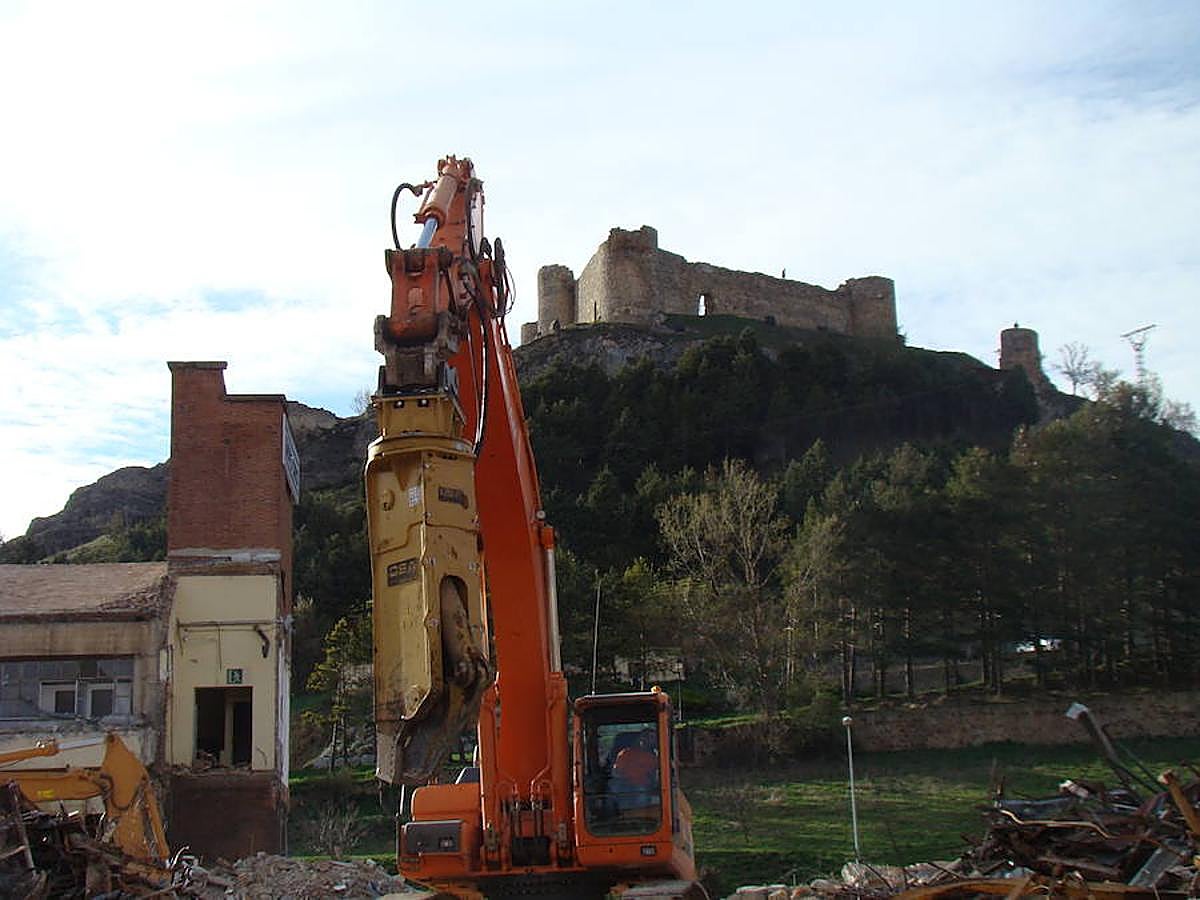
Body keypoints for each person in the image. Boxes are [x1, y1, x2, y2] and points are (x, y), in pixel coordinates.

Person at [610, 728, 659, 810]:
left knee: (641, 796)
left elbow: (659, 775)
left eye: (653, 738)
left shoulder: (657, 757)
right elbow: (616, 772)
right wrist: (626, 780)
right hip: (624, 786)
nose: (650, 740)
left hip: (643, 787)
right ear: (641, 738)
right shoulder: (626, 753)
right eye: (648, 737)